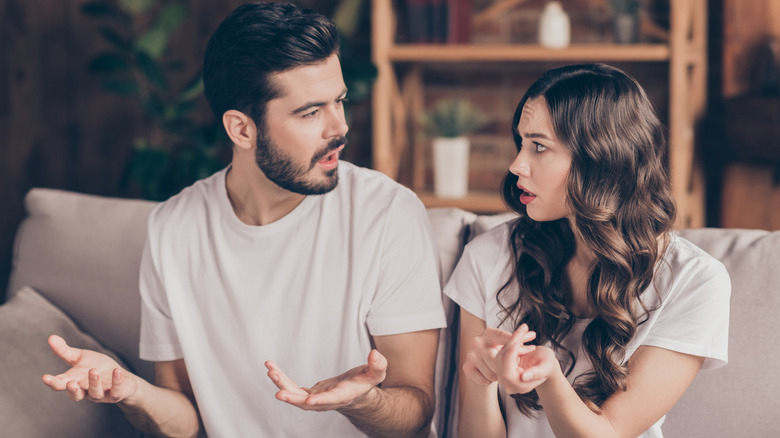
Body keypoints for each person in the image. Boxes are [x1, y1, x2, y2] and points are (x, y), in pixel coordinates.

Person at [41, 3, 446, 437]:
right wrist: (134, 393)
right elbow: (185, 419)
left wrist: (363, 403)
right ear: (242, 129)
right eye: (311, 112)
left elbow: (416, 408)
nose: (339, 128)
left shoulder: (386, 213)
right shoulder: (172, 229)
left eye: (340, 101)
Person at [445, 64, 730, 438]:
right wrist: (481, 379)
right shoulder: (487, 257)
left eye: (539, 146)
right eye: (521, 143)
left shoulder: (694, 280)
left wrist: (549, 378)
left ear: (601, 158)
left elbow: (610, 431)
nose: (516, 165)